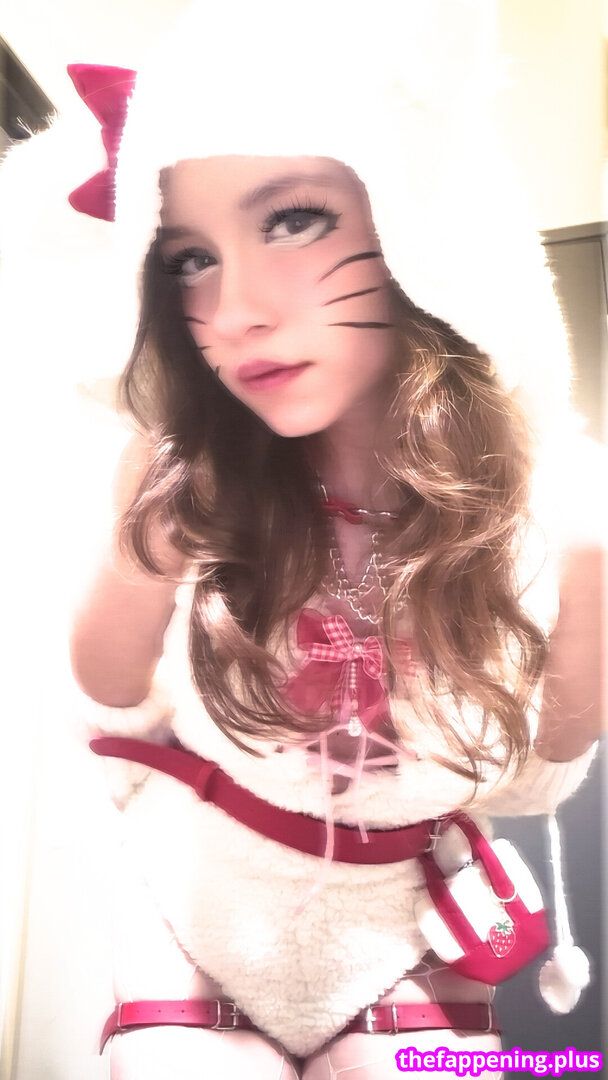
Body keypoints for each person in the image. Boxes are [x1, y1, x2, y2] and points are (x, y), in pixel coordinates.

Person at [63, 2, 601, 1077]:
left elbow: (530, 775)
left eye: (293, 220)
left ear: (423, 219)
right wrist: (145, 546)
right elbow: (109, 693)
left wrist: (586, 585)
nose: (232, 311)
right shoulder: (181, 468)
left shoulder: (548, 500)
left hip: (403, 927)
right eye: (188, 258)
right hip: (196, 901)